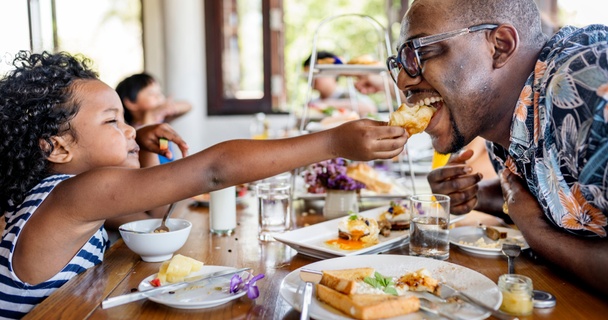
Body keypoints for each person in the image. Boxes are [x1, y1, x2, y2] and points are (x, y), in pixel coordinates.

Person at [0, 51, 408, 317]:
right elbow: (213, 170)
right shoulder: (76, 195)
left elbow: (154, 217)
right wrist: (334, 141)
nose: (129, 130)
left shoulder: (74, 198)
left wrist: (142, 146)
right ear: (56, 146)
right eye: (113, 121)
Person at [392, 0, 608, 294]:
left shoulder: (584, 88)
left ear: (500, 46)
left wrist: (538, 234)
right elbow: (564, 195)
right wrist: (482, 196)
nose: (404, 79)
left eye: (420, 52)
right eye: (400, 63)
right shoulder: (506, 119)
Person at [115, 73, 192, 164]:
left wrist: (170, 107)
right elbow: (147, 132)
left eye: (159, 93)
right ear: (131, 103)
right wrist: (149, 114)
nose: (159, 97)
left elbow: (188, 106)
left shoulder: (161, 119)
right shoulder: (131, 132)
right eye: (152, 94)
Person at [303, 51, 377, 117]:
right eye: (308, 75)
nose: (311, 79)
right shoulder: (313, 102)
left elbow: (371, 108)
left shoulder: (348, 95)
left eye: (315, 74)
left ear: (333, 72)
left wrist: (328, 104)